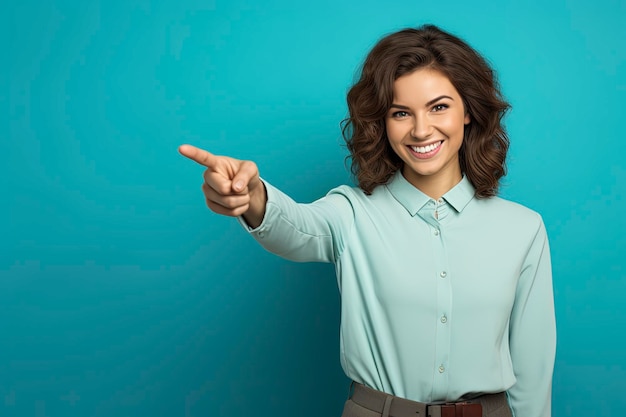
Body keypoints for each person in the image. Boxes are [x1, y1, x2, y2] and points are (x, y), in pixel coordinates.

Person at [179, 24, 556, 417]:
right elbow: (295, 228)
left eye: (439, 106)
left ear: (468, 112)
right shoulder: (349, 213)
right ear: (383, 122)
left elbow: (533, 370)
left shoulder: (523, 229)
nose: (421, 129)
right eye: (400, 113)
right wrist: (252, 196)